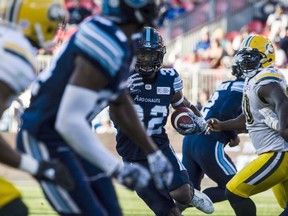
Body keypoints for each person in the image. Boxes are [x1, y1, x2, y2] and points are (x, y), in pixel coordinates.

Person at [17, 1, 174, 216]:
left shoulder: (123, 41)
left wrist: (153, 153)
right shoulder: (105, 39)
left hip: (70, 137)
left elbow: (119, 100)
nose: (155, 6)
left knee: (111, 211)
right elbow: (68, 121)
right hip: (46, 135)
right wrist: (116, 169)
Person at [113, 26, 214, 216]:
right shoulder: (122, 78)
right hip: (132, 153)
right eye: (142, 55)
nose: (147, 60)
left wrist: (200, 121)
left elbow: (181, 103)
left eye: (152, 55)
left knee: (182, 194)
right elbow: (108, 110)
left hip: (159, 146)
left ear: (160, 55)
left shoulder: (169, 78)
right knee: (167, 212)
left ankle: (191, 195)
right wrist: (121, 92)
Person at [0, 1, 74, 215]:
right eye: (52, 21)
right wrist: (36, 167)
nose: (55, 28)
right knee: (13, 209)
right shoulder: (16, 54)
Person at [207, 34, 288, 216]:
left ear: (266, 57)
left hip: (279, 152)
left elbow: (282, 101)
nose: (245, 61)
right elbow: (248, 117)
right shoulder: (254, 80)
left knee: (235, 191)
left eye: (251, 57)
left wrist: (281, 127)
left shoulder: (266, 80)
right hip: (275, 151)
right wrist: (222, 125)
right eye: (244, 57)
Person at [181, 55, 244, 205]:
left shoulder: (225, 84)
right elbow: (226, 112)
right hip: (208, 140)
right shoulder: (245, 87)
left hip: (191, 138)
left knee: (187, 195)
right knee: (234, 187)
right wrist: (233, 136)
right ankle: (200, 201)